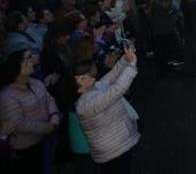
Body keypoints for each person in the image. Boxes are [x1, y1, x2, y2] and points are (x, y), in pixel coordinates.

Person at [74, 44, 140, 173]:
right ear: (79, 83)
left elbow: (112, 75)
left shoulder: (96, 87)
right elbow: (116, 91)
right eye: (84, 76)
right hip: (112, 151)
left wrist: (125, 59)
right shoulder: (85, 105)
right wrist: (132, 65)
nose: (90, 75)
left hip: (118, 145)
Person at [0, 50, 60, 173]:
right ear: (17, 67)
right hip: (25, 147)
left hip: (43, 138)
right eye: (27, 59)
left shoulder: (35, 82)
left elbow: (49, 99)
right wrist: (47, 127)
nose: (32, 61)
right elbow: (19, 124)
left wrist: (54, 117)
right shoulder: (8, 95)